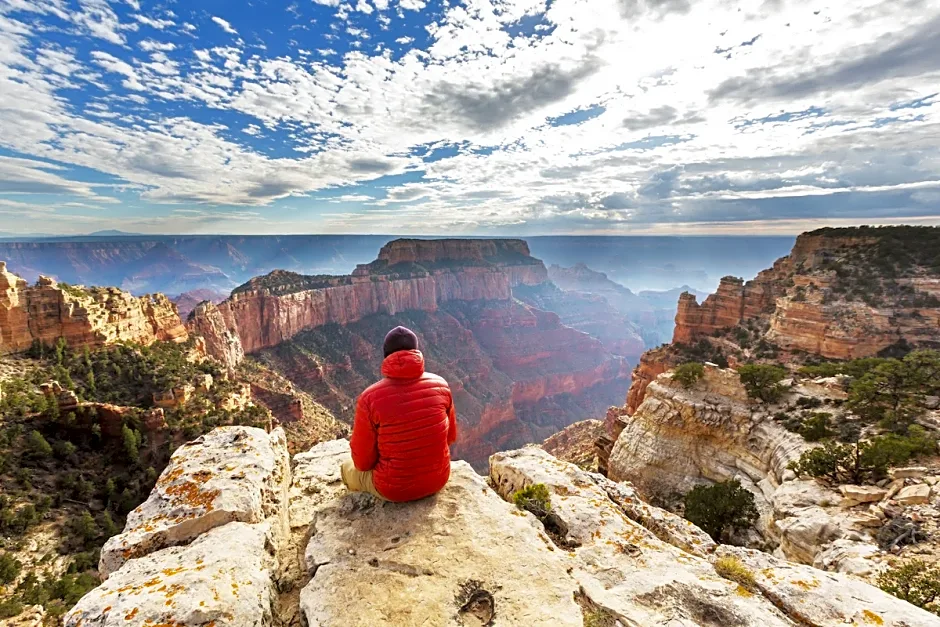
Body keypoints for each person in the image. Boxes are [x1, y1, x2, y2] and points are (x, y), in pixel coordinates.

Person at [341, 326, 458, 502]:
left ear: (386, 356)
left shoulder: (369, 398)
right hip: (437, 480)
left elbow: (363, 463)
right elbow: (450, 438)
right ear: (416, 352)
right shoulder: (441, 385)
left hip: (394, 490)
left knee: (346, 467)